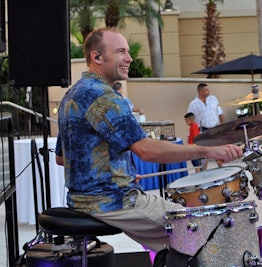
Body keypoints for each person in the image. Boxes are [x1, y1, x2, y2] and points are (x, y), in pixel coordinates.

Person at [54, 27, 242, 253]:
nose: (129, 58)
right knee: (204, 230)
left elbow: (62, 159)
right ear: (97, 57)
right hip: (113, 202)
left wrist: (117, 170)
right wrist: (208, 151)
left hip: (81, 200)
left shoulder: (72, 95)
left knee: (183, 237)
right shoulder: (105, 97)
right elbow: (147, 150)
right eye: (121, 51)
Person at [188, 83, 225, 168]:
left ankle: (222, 170)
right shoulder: (193, 104)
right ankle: (204, 172)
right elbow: (190, 119)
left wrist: (223, 126)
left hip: (215, 128)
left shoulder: (213, 99)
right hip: (203, 129)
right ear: (200, 91)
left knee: (218, 150)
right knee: (205, 153)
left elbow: (220, 113)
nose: (208, 91)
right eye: (206, 90)